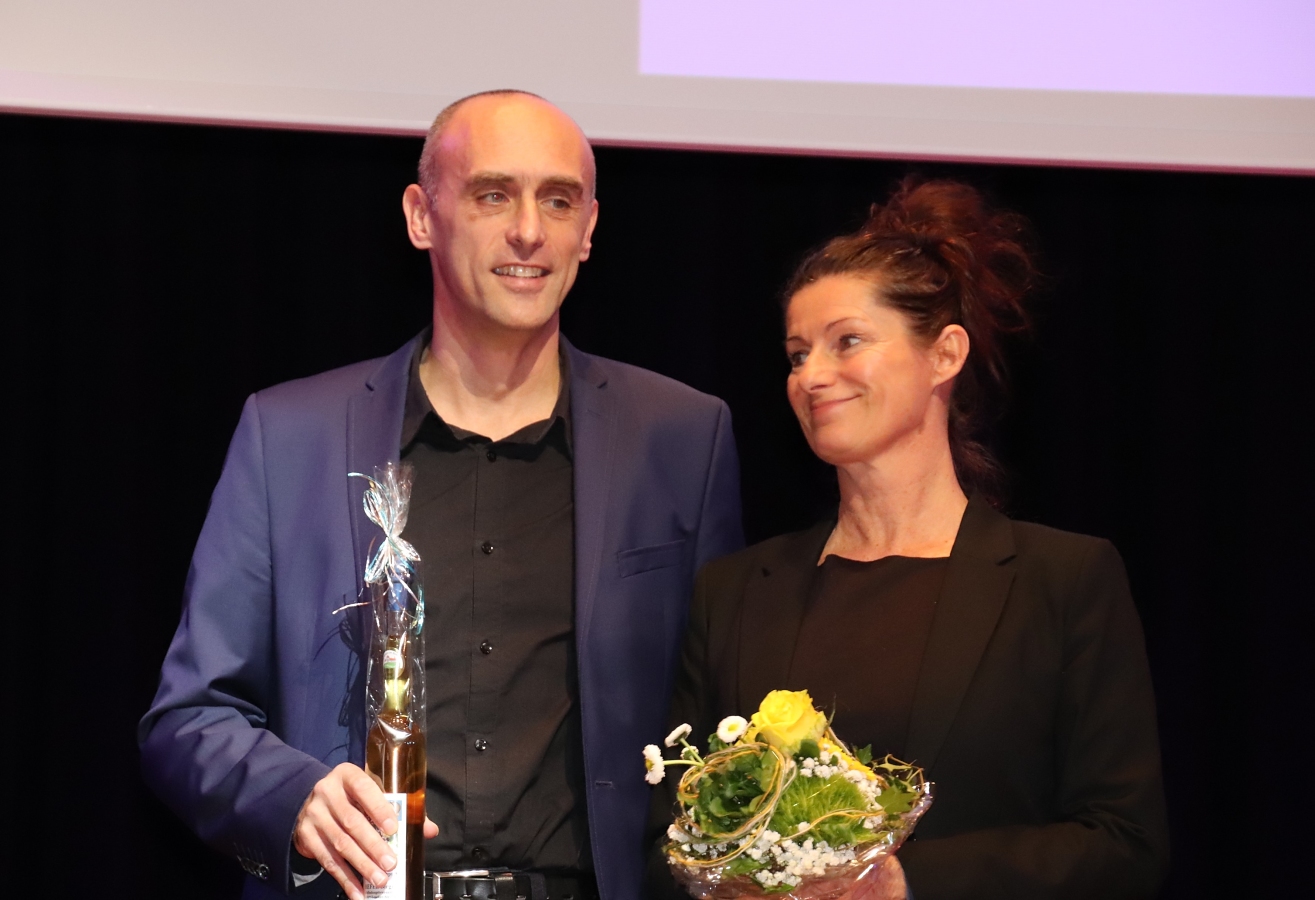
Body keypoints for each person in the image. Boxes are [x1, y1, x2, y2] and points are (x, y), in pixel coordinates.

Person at [139, 90, 744, 900]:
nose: (528, 230)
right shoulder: (289, 436)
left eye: (557, 200)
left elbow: (722, 725)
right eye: (493, 194)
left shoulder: (681, 438)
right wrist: (295, 799)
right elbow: (188, 719)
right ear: (422, 217)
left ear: (589, 228)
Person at [651, 179, 1168, 899]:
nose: (811, 376)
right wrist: (727, 882)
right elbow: (672, 838)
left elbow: (1123, 845)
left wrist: (904, 882)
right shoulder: (734, 591)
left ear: (944, 355)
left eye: (847, 342)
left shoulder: (1061, 580)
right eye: (797, 354)